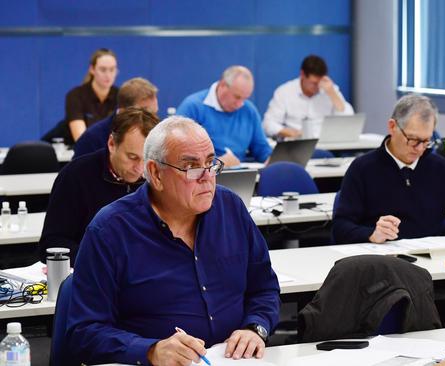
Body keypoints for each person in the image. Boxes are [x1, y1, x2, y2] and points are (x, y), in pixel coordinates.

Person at [67, 116, 280, 365]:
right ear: (156, 174)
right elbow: (83, 331)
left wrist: (255, 328)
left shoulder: (230, 208)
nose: (207, 177)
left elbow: (264, 288)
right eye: (192, 167)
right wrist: (150, 350)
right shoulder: (110, 230)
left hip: (235, 360)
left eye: (211, 163)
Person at [332, 94, 445, 245]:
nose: (419, 149)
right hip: (384, 262)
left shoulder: (441, 168)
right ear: (392, 127)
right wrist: (371, 234)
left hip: (432, 258)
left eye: (426, 141)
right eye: (413, 139)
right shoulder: (363, 169)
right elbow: (341, 227)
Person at [38, 108, 158, 264]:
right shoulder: (76, 175)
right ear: (111, 144)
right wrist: (102, 262)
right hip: (94, 271)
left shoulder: (157, 176)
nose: (140, 168)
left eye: (146, 159)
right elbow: (52, 243)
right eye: (132, 157)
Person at [176, 65, 272, 167]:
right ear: (222, 85)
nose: (240, 104)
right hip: (205, 174)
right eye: (237, 97)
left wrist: (271, 159)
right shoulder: (193, 107)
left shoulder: (249, 110)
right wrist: (216, 163)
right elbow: (179, 151)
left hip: (241, 174)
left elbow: (261, 147)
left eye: (245, 98)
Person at [263, 55, 354, 139]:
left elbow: (349, 120)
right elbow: (268, 124)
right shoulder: (284, 92)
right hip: (297, 143)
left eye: (320, 82)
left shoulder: (329, 89)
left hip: (326, 142)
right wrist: (289, 132)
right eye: (313, 83)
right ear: (302, 74)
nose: (317, 86)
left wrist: (333, 94)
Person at [73, 77, 159, 159]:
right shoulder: (92, 140)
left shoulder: (157, 137)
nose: (153, 121)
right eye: (145, 114)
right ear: (123, 111)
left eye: (155, 113)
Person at [65, 48, 119, 142]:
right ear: (92, 69)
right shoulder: (76, 95)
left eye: (112, 69)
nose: (108, 75)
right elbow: (81, 139)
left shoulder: (121, 96)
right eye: (103, 70)